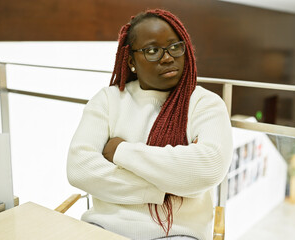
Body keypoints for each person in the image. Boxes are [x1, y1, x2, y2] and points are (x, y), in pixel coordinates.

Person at [67, 9, 233, 240]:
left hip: (177, 234)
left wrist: (121, 151)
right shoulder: (108, 99)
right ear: (131, 60)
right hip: (102, 228)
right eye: (152, 51)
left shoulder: (204, 103)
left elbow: (209, 167)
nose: (167, 57)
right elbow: (80, 169)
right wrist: (167, 186)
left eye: (175, 47)